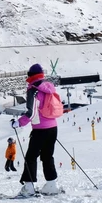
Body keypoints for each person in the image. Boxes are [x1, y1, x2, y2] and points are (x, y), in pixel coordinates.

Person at [12, 64, 62, 196]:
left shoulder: (33, 90)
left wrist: (18, 122)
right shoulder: (49, 88)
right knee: (47, 156)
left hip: (40, 129)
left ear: (30, 75)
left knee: (31, 157)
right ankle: (52, 184)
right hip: (53, 127)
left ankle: (29, 187)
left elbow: (31, 113)